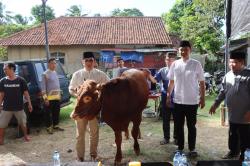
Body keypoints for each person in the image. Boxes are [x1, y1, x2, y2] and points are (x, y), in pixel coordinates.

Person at [69, 52, 109, 162]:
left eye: (91, 60)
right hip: (81, 109)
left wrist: (102, 91)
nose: (88, 62)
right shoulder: (77, 74)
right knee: (80, 134)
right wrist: (77, 93)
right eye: (86, 60)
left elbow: (108, 85)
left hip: (94, 110)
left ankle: (93, 154)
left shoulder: (100, 74)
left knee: (94, 133)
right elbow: (71, 88)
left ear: (94, 61)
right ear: (83, 62)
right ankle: (80, 156)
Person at [167, 40, 205, 157]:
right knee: (178, 126)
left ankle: (192, 149)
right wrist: (169, 96)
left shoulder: (196, 64)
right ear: (179, 51)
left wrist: (202, 98)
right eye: (181, 50)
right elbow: (171, 82)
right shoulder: (175, 64)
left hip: (192, 101)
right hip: (178, 100)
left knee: (191, 126)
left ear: (190, 50)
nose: (183, 52)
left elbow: (202, 83)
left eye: (186, 50)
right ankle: (180, 148)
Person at [209, 52, 250, 160]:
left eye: (235, 62)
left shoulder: (248, 75)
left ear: (242, 62)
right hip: (232, 113)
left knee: (245, 137)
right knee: (232, 135)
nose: (232, 64)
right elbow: (223, 92)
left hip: (246, 115)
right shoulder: (228, 75)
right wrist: (215, 103)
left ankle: (244, 156)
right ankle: (233, 152)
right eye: (230, 62)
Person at [0, 62, 32, 145]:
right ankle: (1, 140)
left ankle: (25, 136)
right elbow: (1, 94)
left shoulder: (21, 80)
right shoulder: (3, 81)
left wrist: (29, 104)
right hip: (6, 108)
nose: (4, 71)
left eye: (5, 69)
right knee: (2, 124)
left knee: (23, 123)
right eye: (4, 69)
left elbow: (26, 93)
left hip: (19, 107)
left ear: (12, 69)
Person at [154, 52, 177, 145]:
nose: (169, 62)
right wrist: (147, 75)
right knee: (165, 119)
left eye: (171, 60)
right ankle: (166, 138)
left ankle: (177, 138)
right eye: (167, 59)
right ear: (165, 60)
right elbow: (154, 80)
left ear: (175, 60)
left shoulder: (179, 70)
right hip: (164, 97)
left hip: (177, 98)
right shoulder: (162, 71)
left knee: (177, 119)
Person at [41, 58, 63, 134]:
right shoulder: (45, 74)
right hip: (49, 98)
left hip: (56, 97)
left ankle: (56, 125)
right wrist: (45, 99)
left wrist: (60, 95)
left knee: (56, 112)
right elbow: (43, 88)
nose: (54, 65)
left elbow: (57, 85)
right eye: (52, 63)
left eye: (55, 63)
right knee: (48, 114)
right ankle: (48, 127)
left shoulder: (55, 73)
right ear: (49, 64)